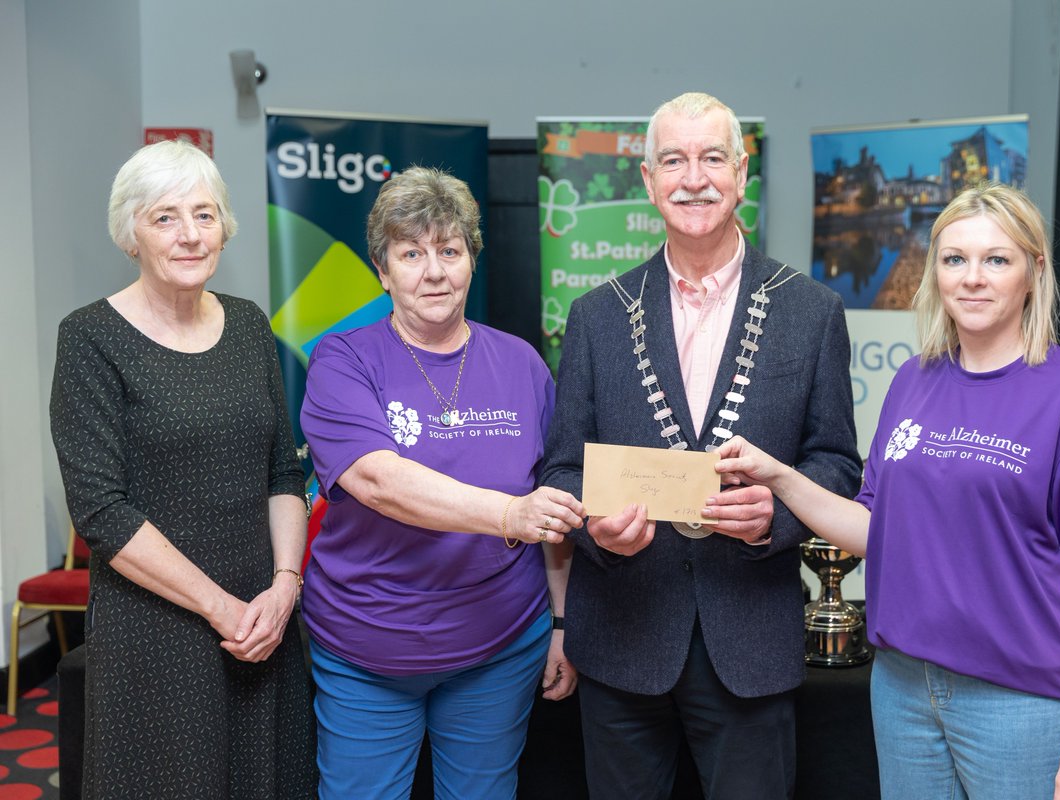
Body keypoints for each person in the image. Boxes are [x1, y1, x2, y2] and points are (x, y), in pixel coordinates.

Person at [714, 183, 1060, 800]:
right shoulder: (913, 381)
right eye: (954, 259)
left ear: (1032, 272)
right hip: (903, 691)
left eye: (997, 259)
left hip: (1016, 702)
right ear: (934, 271)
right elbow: (874, 528)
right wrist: (778, 475)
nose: (973, 278)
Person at [540, 92, 861, 799]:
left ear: (742, 174)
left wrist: (776, 519)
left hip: (749, 641)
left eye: (713, 157)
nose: (695, 178)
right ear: (648, 182)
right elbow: (562, 465)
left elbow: (836, 460)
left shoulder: (812, 313)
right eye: (675, 161)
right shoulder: (595, 316)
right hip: (621, 639)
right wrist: (596, 530)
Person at [299, 165, 585, 799]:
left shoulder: (522, 363)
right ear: (383, 269)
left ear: (471, 261)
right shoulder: (344, 359)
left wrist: (562, 623)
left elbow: (556, 500)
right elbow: (378, 481)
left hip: (499, 647)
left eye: (450, 251)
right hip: (366, 652)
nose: (434, 271)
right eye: (411, 253)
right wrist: (509, 515)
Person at [49, 140, 316, 799]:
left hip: (264, 620)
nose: (190, 234)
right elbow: (101, 510)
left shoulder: (251, 325)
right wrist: (219, 609)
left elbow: (283, 471)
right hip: (158, 630)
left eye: (204, 214)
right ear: (130, 235)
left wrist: (284, 588)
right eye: (165, 217)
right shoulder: (90, 337)